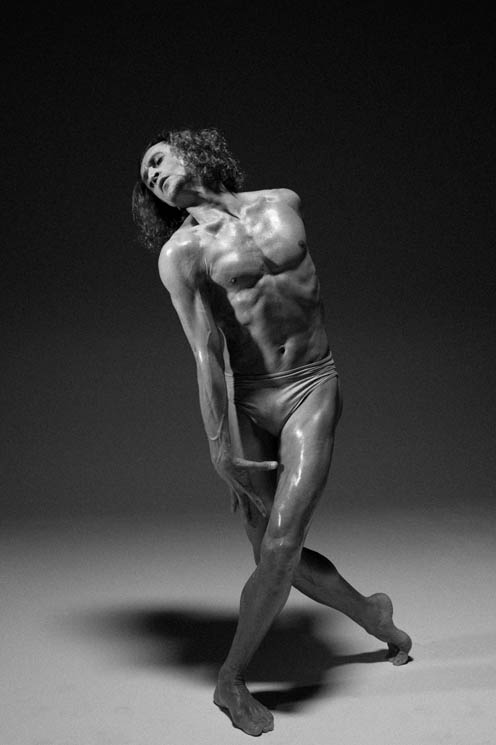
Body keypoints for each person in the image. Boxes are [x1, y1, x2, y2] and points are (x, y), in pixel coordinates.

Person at [132, 127, 412, 736]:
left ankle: (230, 679)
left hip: (313, 386)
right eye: (146, 177)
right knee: (271, 554)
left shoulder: (283, 202)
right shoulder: (180, 253)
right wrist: (220, 449)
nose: (152, 174)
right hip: (250, 400)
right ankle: (373, 614)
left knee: (281, 548)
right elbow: (207, 352)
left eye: (157, 159)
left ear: (192, 150)